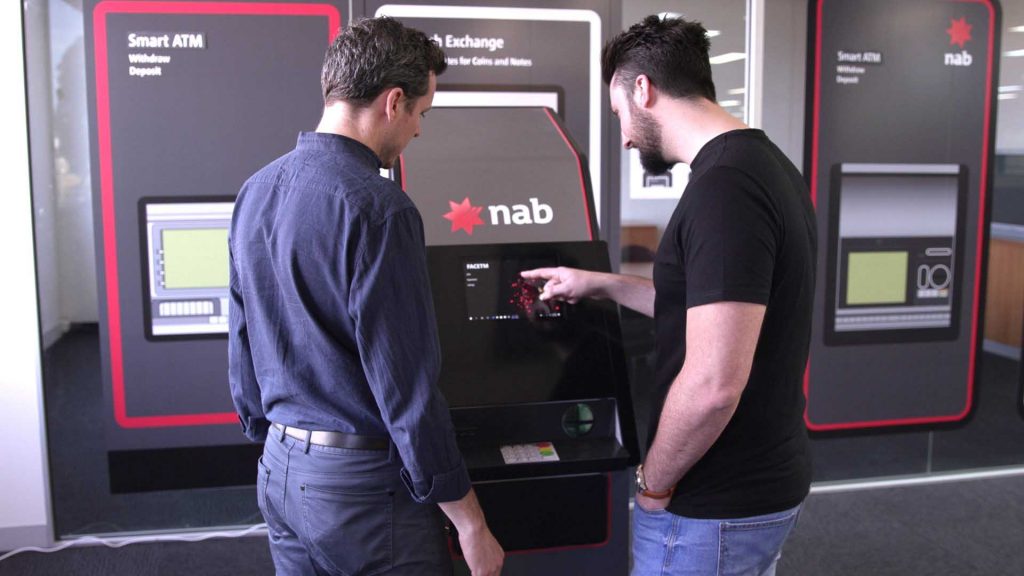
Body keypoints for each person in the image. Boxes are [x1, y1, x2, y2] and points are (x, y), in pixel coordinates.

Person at [522, 14, 816, 576]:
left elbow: (712, 386)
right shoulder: (765, 166)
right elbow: (706, 308)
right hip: (758, 485)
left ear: (643, 88)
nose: (626, 136)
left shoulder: (725, 190)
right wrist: (598, 283)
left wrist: (652, 482)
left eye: (618, 116)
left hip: (714, 503)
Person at [228, 17, 504, 576]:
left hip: (279, 468)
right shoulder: (381, 208)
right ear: (393, 101)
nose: (418, 132)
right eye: (422, 114)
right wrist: (470, 520)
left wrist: (277, 439)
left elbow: (242, 339)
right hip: (361, 491)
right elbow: (406, 387)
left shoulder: (255, 191)